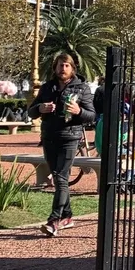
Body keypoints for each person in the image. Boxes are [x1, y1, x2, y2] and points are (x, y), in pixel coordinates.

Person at [28, 53, 96, 237]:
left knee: (60, 177)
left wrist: (78, 110)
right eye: (60, 65)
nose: (63, 68)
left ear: (72, 68)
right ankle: (67, 216)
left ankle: (54, 220)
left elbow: (92, 115)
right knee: (59, 179)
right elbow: (31, 111)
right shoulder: (47, 88)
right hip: (49, 137)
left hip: (70, 138)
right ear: (55, 68)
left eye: (66, 65)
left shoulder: (82, 89)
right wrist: (40, 109)